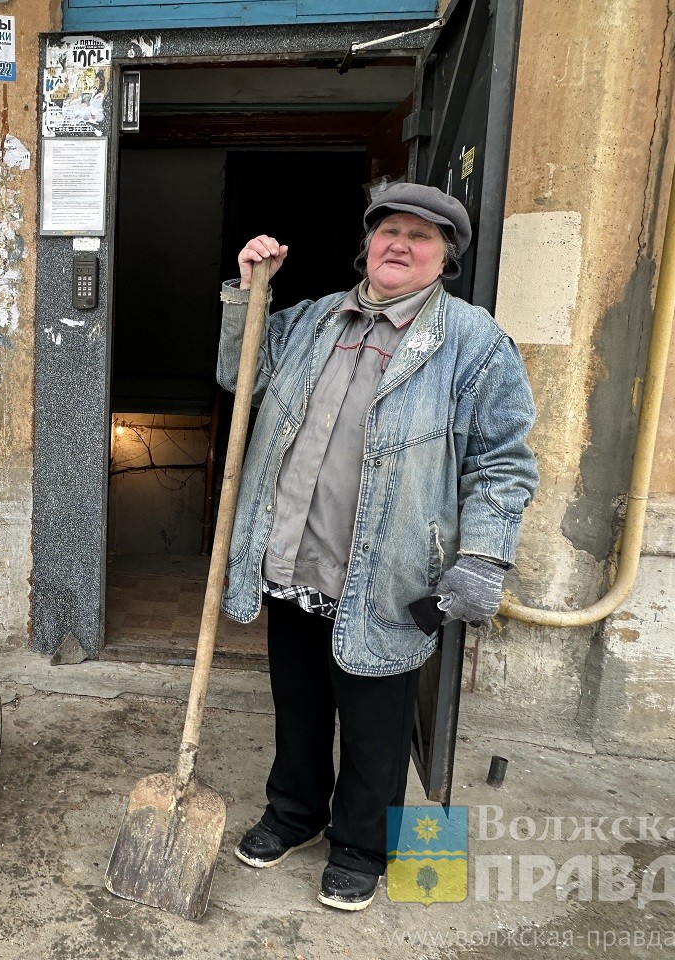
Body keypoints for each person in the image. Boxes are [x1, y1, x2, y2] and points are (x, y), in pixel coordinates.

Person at [216, 182, 538, 911]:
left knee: (375, 723)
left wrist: (483, 554)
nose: (400, 244)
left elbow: (503, 462)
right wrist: (249, 290)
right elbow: (239, 377)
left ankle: (361, 845)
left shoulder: (474, 343)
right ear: (367, 244)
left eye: (420, 237)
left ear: (445, 258)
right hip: (294, 557)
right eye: (389, 230)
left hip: (391, 572)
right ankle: (294, 813)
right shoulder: (314, 320)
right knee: (297, 704)